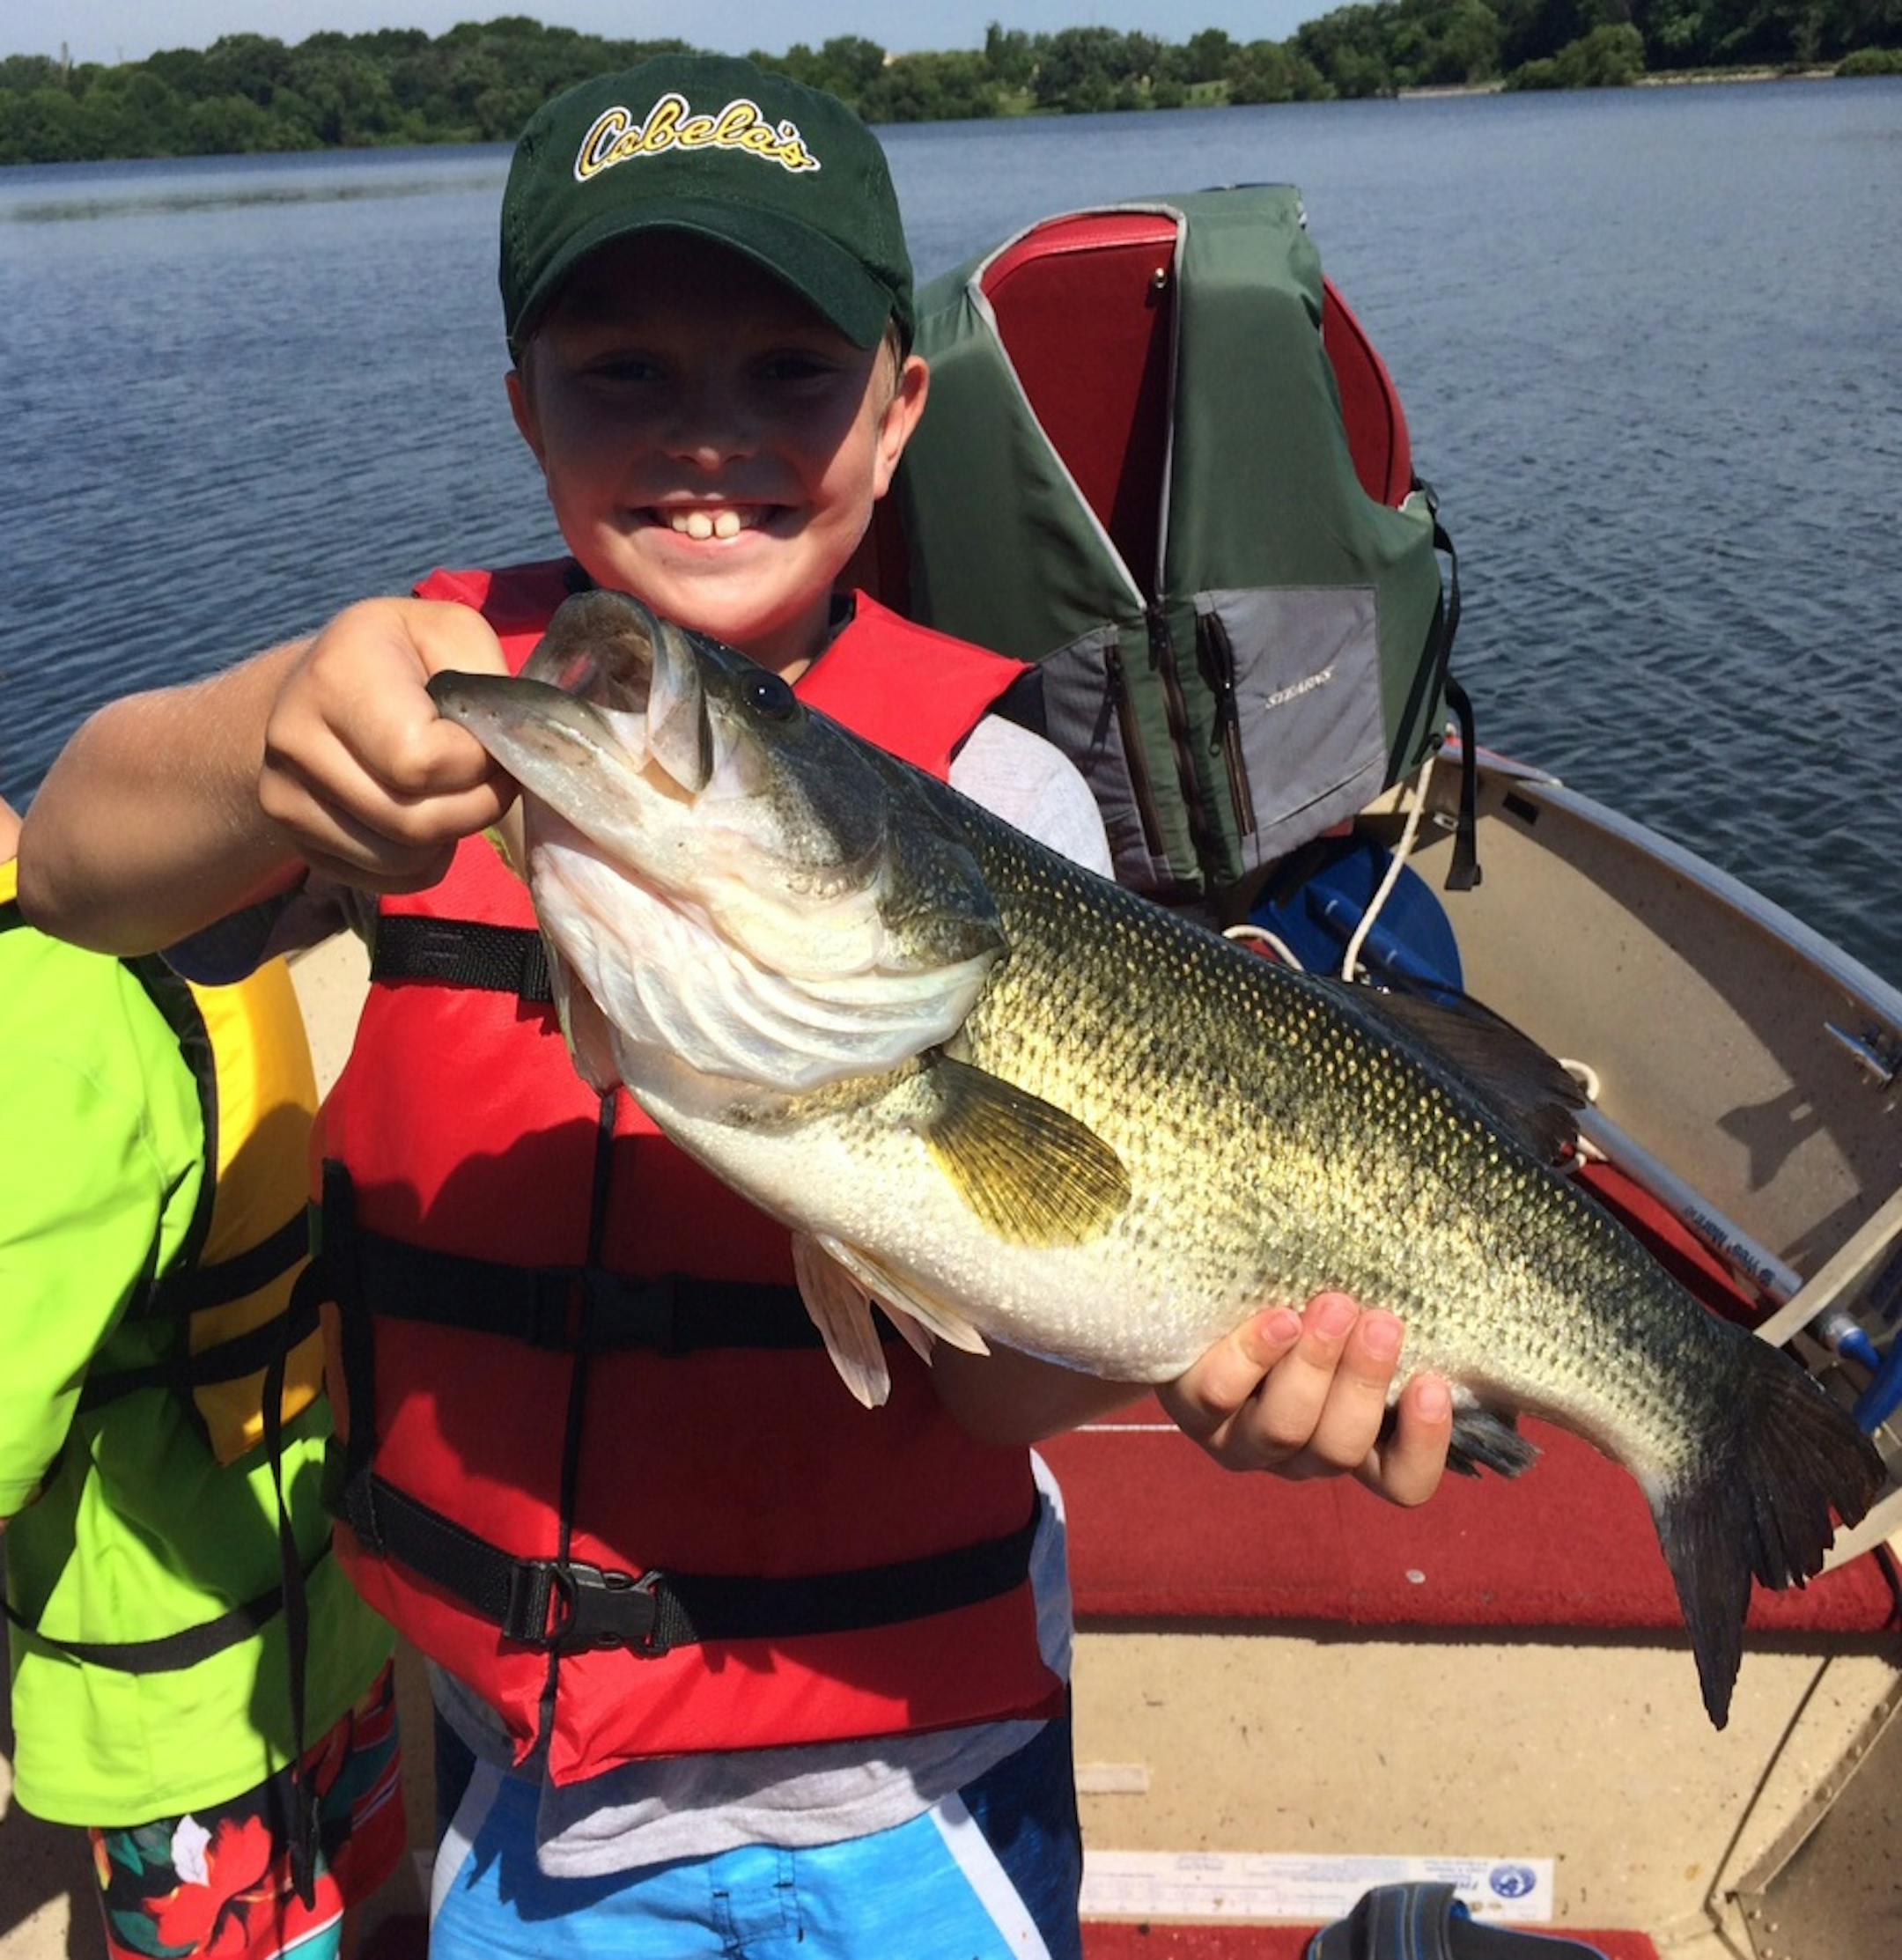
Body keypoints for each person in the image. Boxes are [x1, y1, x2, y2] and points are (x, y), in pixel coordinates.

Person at [18, 55, 1454, 1960]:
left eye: (788, 373)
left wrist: (1198, 1362)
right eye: (623, 372)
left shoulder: (1002, 800)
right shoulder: (438, 700)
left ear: (897, 415)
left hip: (910, 1785)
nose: (709, 442)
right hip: (522, 1787)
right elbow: (79, 866)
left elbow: (993, 1371)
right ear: (525, 410)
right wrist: (272, 729)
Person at [0, 793, 404, 1960]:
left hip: (175, 1699)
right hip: (324, 1590)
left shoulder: (34, 1031)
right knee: (346, 1903)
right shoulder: (162, 902)